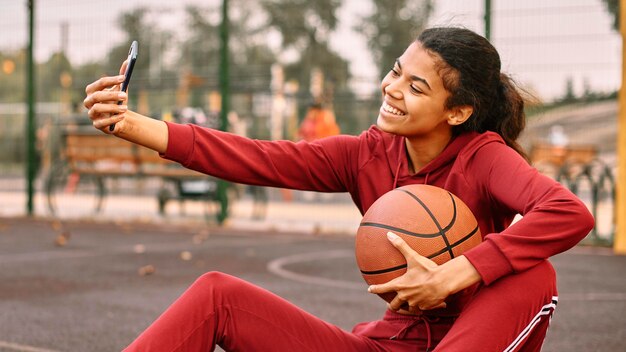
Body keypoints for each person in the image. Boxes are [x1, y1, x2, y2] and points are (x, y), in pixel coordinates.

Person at [84, 27, 594, 352]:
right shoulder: (365, 155)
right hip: (389, 345)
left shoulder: (483, 156)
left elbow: (568, 213)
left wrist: (454, 276)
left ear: (457, 111)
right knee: (217, 295)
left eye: (417, 87)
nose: (393, 89)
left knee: (535, 275)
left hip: (471, 338)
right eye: (397, 72)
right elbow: (258, 157)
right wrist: (130, 124)